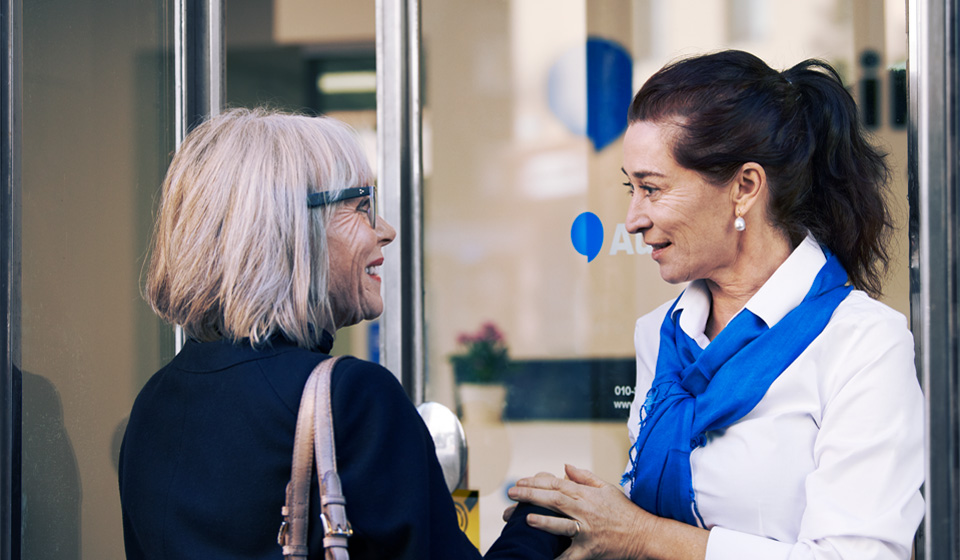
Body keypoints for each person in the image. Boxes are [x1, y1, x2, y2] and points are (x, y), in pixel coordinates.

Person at [504, 50, 924, 559]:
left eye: (651, 189)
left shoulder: (862, 343)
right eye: (629, 188)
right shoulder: (661, 334)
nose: (633, 218)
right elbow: (657, 512)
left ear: (744, 188)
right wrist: (589, 516)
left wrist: (639, 534)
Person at [118, 108, 552, 559]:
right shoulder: (352, 399)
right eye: (363, 207)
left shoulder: (152, 404)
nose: (385, 230)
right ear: (291, 228)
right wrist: (539, 527)